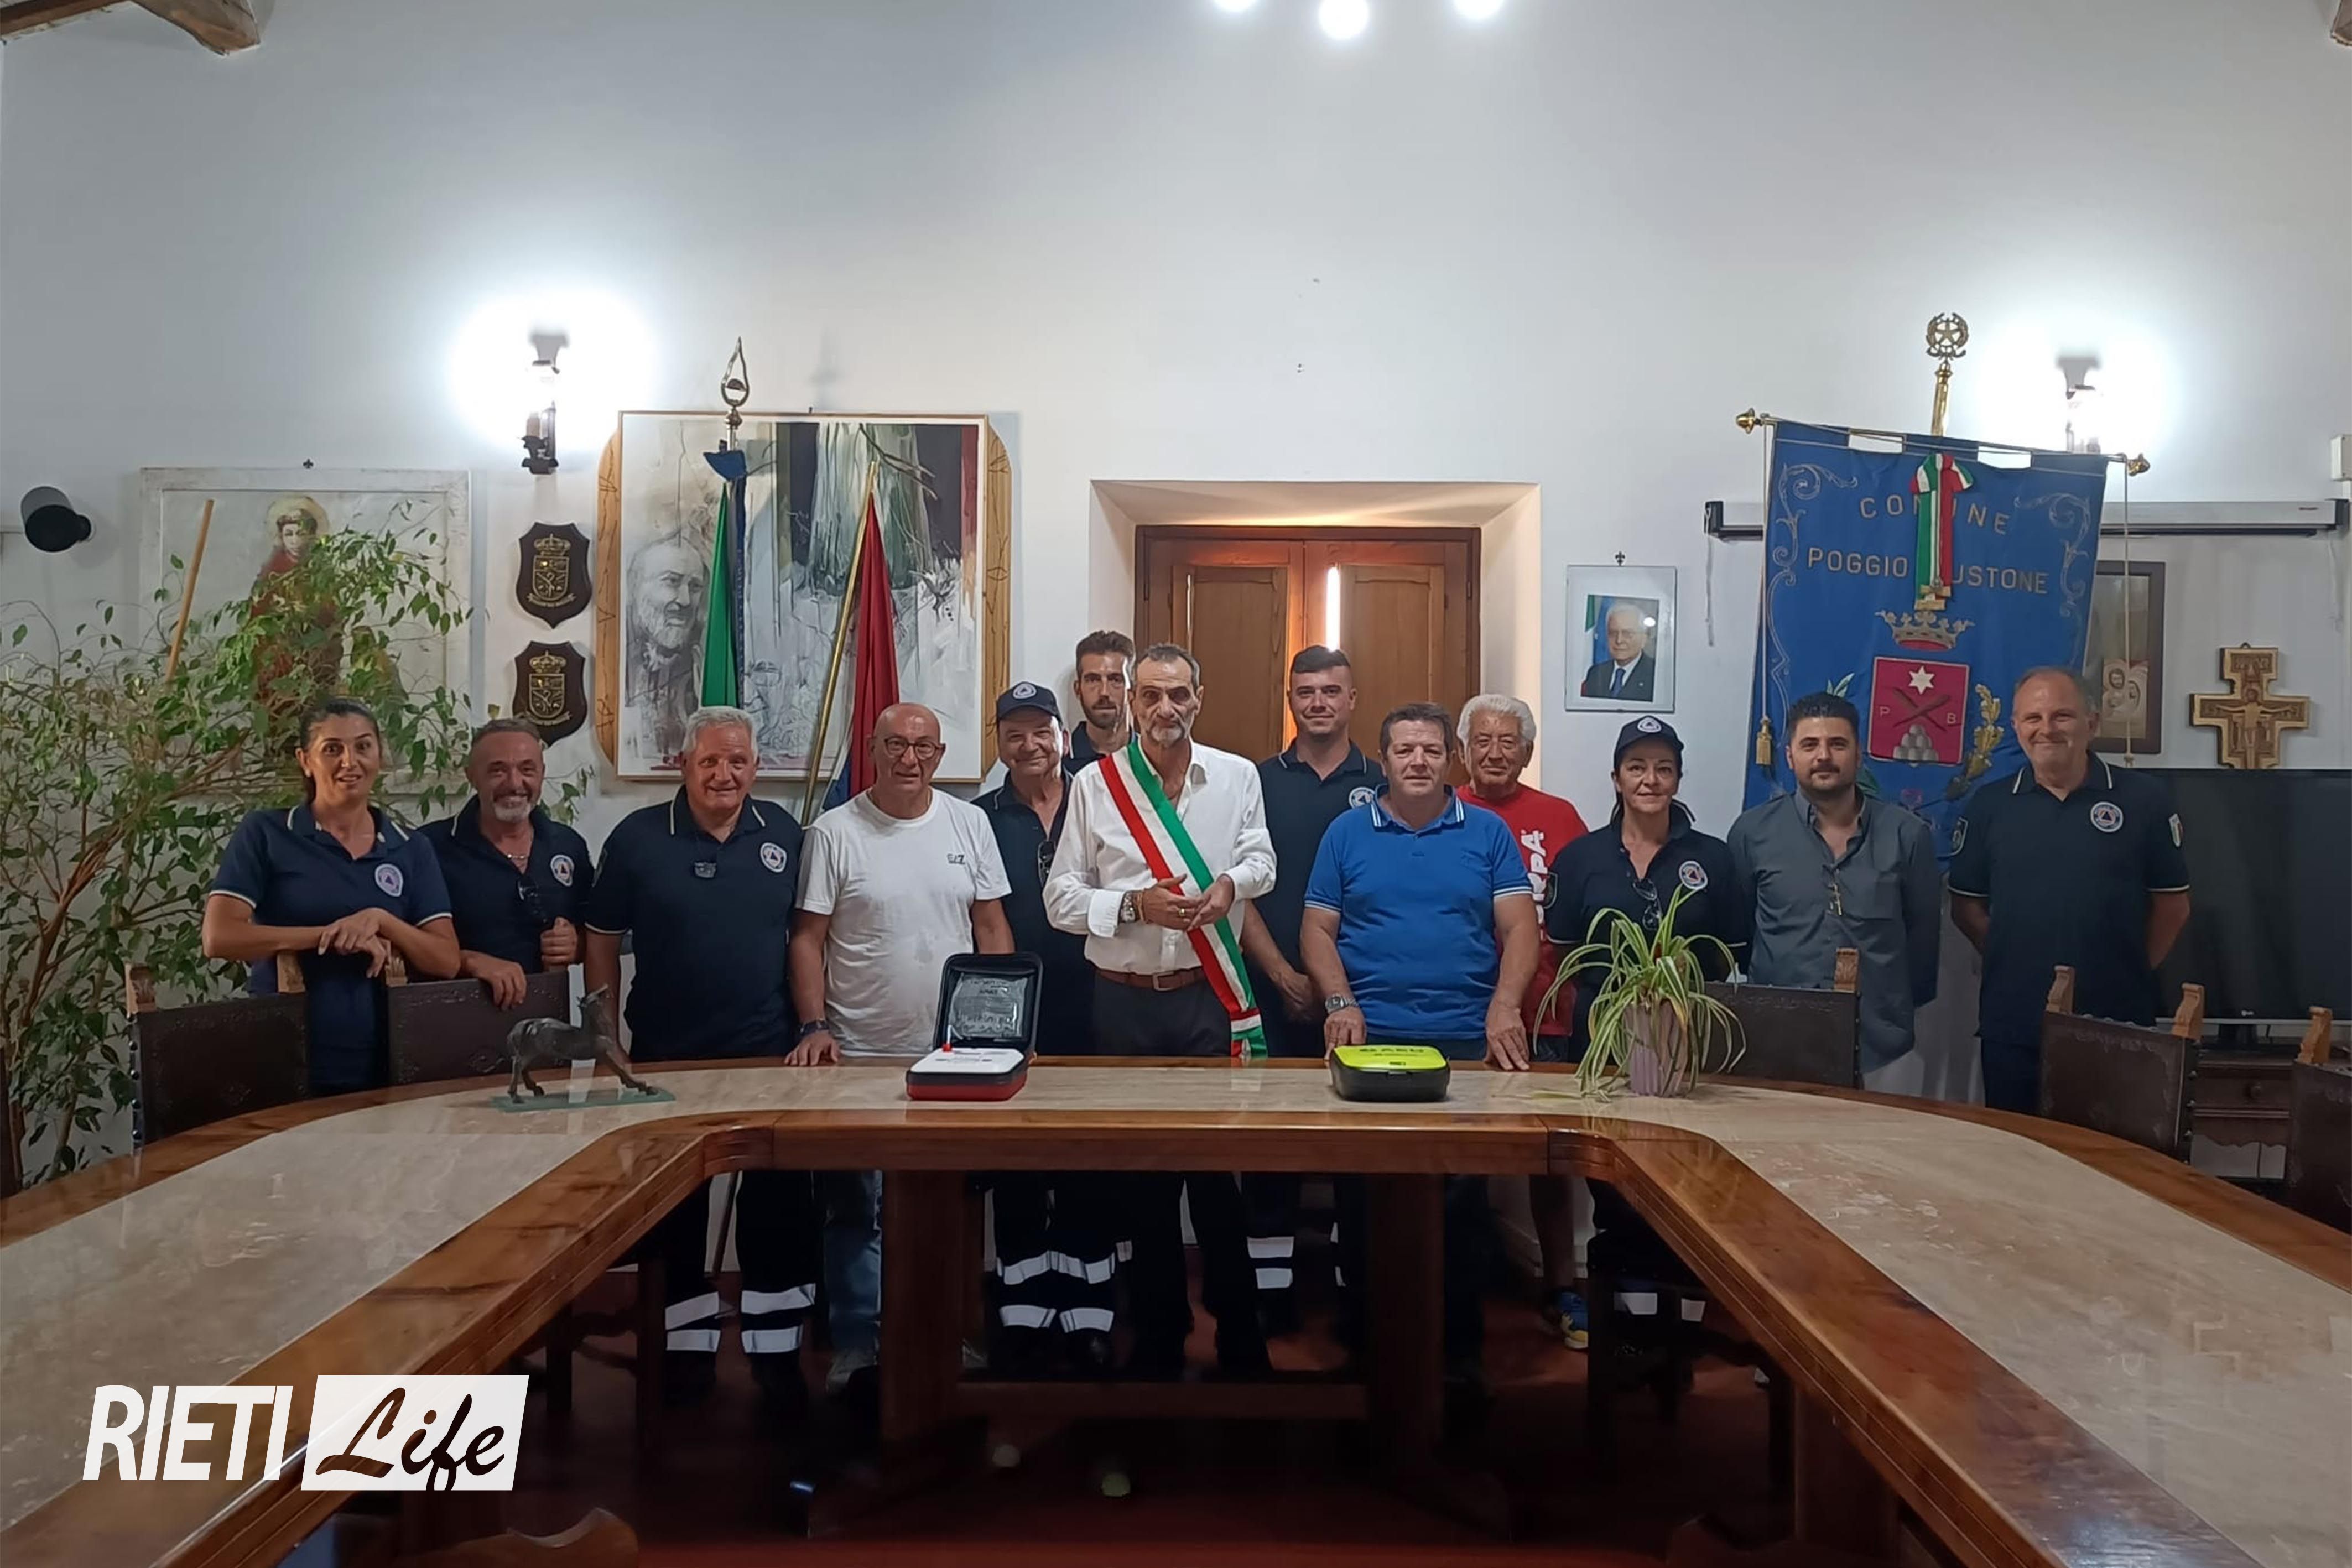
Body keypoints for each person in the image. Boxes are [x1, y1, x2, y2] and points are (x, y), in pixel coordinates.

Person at [1044, 642, 1277, 1378]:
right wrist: (1131, 906)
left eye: (1178, 694)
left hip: (1208, 1000)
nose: (1165, 708)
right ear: (1131, 701)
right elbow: (1059, 899)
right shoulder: (1096, 784)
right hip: (1124, 1004)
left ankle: (1241, 1335)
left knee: (1217, 1178)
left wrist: (1231, 885)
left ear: (1198, 698)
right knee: (1143, 1181)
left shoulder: (1236, 775)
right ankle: (1158, 1334)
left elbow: (1264, 859)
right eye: (1150, 695)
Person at [583, 706, 820, 1409]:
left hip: (769, 1056)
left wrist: (814, 1025)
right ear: (683, 765)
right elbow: (601, 940)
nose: (724, 774)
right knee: (674, 1210)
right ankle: (685, 1352)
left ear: (756, 767)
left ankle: (777, 1354)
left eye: (737, 761)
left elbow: (807, 937)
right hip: (668, 1057)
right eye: (710, 760)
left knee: (777, 1211)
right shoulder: (635, 838)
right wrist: (604, 1041)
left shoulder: (784, 834)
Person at [1303, 703, 1537, 1386]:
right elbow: (1316, 930)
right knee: (1363, 1198)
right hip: (1370, 1041)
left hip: (1462, 1041)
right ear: (1383, 760)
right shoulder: (1346, 832)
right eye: (1404, 750)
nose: (1418, 762)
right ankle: (1366, 1346)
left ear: (1448, 760)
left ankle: (1458, 1354)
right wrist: (1340, 1002)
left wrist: (1504, 1007)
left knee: (1460, 1206)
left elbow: (1520, 929)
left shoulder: (1487, 832)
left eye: (1431, 751)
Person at [789, 702, 1013, 1398]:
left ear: (940, 755)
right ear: (873, 748)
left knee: (942, 1205)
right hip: (856, 1054)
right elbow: (807, 940)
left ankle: (941, 1335)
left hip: (952, 1055)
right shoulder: (834, 832)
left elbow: (990, 926)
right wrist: (813, 1026)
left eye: (923, 747)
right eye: (895, 745)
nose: (909, 758)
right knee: (855, 1209)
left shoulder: (969, 824)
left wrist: (1003, 1029)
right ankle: (860, 1343)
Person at [1542, 716, 1746, 1338]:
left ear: (1678, 778)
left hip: (1685, 1039)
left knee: (1684, 1177)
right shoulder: (1581, 857)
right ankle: (1627, 1323)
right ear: (1616, 778)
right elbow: (1564, 946)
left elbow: (1731, 951)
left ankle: (1679, 1325)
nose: (1650, 779)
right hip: (1602, 1039)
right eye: (1637, 767)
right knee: (1613, 1178)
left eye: (1663, 768)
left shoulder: (1714, 857)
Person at [1949, 668, 2192, 1114]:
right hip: (2014, 1022)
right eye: (2033, 717)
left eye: (2062, 715)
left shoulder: (2145, 800)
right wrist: (2012, 954)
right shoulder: (1988, 805)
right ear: (2015, 727)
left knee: (2109, 1151)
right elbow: (1966, 907)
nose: (2046, 729)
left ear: (2092, 723)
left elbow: (2173, 906)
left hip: (2117, 1022)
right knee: (2016, 1149)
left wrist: (2126, 965)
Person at [203, 698, 462, 1094]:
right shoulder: (267, 832)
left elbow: (446, 960)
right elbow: (219, 937)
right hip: (285, 1049)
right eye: (332, 749)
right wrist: (330, 935)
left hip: (390, 1055)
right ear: (305, 760)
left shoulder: (411, 848)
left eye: (363, 746)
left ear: (380, 755)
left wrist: (381, 920)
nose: (349, 762)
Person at [972, 682, 1118, 1373]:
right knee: (1018, 1164)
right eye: (1015, 734)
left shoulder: (1105, 798)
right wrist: (1004, 1017)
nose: (1030, 745)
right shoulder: (979, 819)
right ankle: (1023, 1312)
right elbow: (981, 917)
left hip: (1101, 1003)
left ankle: (1089, 1313)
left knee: (1091, 1158)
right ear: (1000, 744)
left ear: (1064, 735)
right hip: (1016, 1013)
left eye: (1042, 732)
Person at [1233, 646, 1379, 1333]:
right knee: (1268, 1145)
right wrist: (1284, 976)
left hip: (1361, 1000)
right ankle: (1271, 1295)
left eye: (1330, 691)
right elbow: (1235, 889)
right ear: (1289, 701)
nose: (1318, 703)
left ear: (1352, 700)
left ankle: (1358, 1293)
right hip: (1271, 990)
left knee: (1359, 1148)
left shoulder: (1382, 783)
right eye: (1305, 692)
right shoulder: (1255, 783)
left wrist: (1337, 989)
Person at [1456, 691, 1591, 1347]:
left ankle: (1562, 1285)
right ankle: (1461, 1279)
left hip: (1547, 1011)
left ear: (1528, 752)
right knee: (1459, 1154)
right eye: (1481, 740)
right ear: (1463, 750)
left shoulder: (1559, 817)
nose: (1494, 752)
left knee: (1551, 1158)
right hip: (1460, 1011)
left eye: (1507, 741)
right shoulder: (1442, 809)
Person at [1729, 691, 1943, 1091]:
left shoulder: (1907, 834)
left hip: (1881, 1043)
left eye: (1838, 744)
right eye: (1810, 745)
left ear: (1859, 755)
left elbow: (1923, 939)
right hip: (1777, 1037)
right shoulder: (1751, 832)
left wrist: (1894, 1007)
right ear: (1790, 756)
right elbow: (1742, 931)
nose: (1824, 756)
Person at [420, 718, 593, 1008]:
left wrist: (577, 945)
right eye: (497, 770)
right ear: (471, 776)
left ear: (542, 774)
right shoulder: (428, 848)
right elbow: (401, 945)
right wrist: (468, 961)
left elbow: (602, 932)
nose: (514, 784)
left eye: (527, 770)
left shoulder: (568, 845)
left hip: (546, 1022)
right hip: (450, 1020)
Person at [1065, 629, 1135, 770]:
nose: (1104, 692)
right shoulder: (1059, 762)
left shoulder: (1150, 758)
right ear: (1078, 690)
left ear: (1132, 691)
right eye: (1093, 680)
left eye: (1115, 680)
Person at [1579, 602, 1658, 702]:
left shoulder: (1655, 674)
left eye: (1627, 634)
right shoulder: (1595, 673)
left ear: (1644, 639)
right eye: (1613, 633)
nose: (1619, 640)